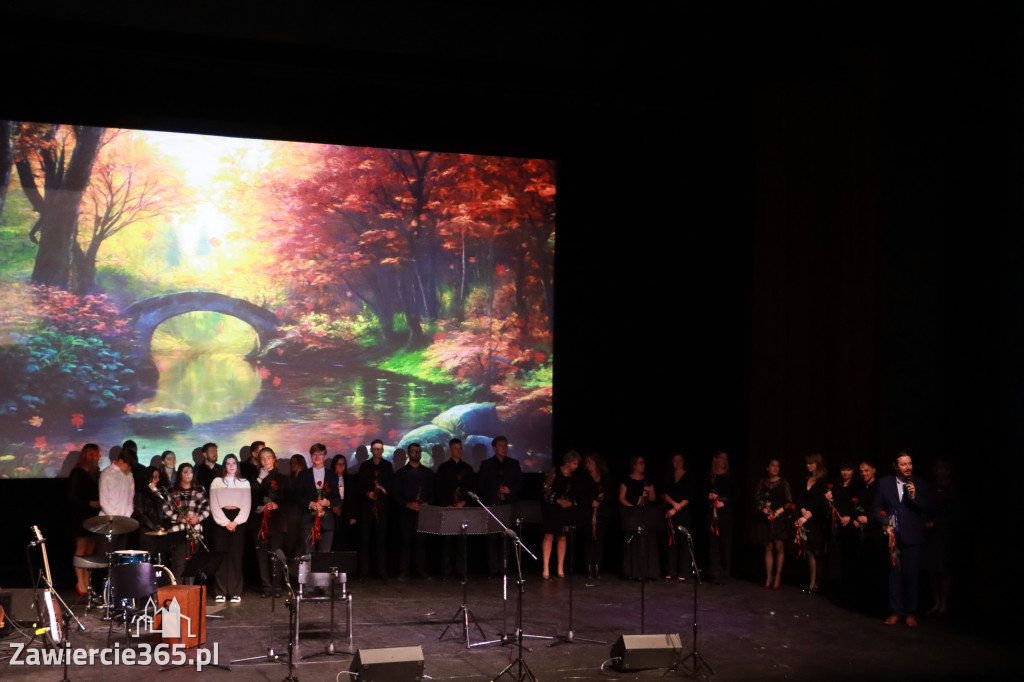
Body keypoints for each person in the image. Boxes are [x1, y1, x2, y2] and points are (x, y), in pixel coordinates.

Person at [875, 451, 929, 627]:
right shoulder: (884, 483)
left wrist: (914, 497)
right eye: (904, 464)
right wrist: (885, 522)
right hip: (893, 537)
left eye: (910, 464)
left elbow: (928, 507)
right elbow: (877, 508)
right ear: (895, 466)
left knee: (911, 575)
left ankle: (910, 613)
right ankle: (895, 611)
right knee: (894, 575)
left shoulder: (919, 483)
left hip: (912, 536)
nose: (908, 467)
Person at [477, 436, 523, 574]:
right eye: (501, 446)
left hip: (508, 506)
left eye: (506, 446)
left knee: (506, 537)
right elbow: (480, 486)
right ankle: (492, 569)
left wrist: (510, 490)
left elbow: (521, 484)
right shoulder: (486, 464)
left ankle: (504, 569)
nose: (504, 449)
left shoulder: (513, 464)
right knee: (492, 538)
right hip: (492, 505)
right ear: (494, 448)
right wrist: (495, 490)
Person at [209, 454, 251, 603]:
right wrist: (225, 522)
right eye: (228, 463)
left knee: (236, 557)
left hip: (238, 520)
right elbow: (213, 504)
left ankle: (235, 591)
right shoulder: (216, 482)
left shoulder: (244, 482)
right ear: (224, 466)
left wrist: (236, 522)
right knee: (221, 556)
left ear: (237, 465)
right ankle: (220, 590)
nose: (231, 466)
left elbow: (247, 505)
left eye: (234, 463)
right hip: (221, 520)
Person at [434, 438, 476, 581]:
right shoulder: (444, 468)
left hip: (463, 510)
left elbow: (472, 489)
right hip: (448, 509)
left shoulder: (468, 469)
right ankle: (445, 572)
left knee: (462, 541)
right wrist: (448, 504)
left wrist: (464, 502)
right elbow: (438, 490)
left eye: (461, 448)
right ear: (451, 450)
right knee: (447, 541)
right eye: (456, 448)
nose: (459, 451)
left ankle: (461, 571)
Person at [162, 462, 210, 585]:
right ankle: (177, 597)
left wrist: (198, 518)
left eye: (190, 472)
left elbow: (207, 508)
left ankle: (189, 594)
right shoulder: (172, 490)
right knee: (179, 566)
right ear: (180, 474)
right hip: (178, 532)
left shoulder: (200, 489)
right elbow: (165, 509)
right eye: (185, 472)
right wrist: (178, 517)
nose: (188, 474)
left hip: (194, 532)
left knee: (192, 567)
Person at [252, 447, 290, 598]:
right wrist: (259, 479)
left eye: (268, 457)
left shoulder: (283, 478)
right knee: (261, 554)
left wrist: (277, 505)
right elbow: (251, 497)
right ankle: (266, 586)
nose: (266, 461)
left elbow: (289, 500)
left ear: (274, 459)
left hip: (277, 521)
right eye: (262, 458)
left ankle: (276, 586)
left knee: (276, 553)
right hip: (259, 521)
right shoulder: (255, 478)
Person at [925, 458, 960, 616]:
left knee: (943, 568)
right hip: (929, 532)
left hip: (944, 533)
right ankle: (936, 600)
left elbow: (956, 514)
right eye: (938, 468)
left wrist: (937, 522)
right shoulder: (931, 487)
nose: (941, 471)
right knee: (931, 568)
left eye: (944, 469)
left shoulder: (952, 489)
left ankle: (944, 602)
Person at [394, 442, 434, 579]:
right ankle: (403, 571)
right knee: (405, 542)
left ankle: (421, 571)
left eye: (418, 451)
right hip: (406, 512)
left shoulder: (428, 473)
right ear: (408, 453)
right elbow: (395, 494)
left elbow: (434, 492)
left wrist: (427, 503)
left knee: (421, 542)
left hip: (423, 512)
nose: (416, 453)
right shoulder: (400, 474)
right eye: (413, 451)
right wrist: (407, 504)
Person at [541, 451, 580, 579]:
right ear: (567, 462)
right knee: (549, 535)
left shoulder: (574, 477)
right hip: (552, 509)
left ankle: (560, 567)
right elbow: (546, 489)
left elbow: (577, 494)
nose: (576, 466)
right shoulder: (555, 472)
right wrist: (557, 500)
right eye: (574, 463)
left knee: (562, 537)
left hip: (566, 510)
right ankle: (546, 568)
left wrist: (570, 503)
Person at [297, 443, 342, 555]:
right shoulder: (303, 475)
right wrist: (310, 504)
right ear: (311, 456)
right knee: (308, 554)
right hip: (308, 519)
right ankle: (308, 573)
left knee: (325, 554)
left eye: (320, 455)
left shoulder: (332, 475)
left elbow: (337, 498)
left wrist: (329, 502)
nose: (317, 458)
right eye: (314, 455)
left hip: (327, 520)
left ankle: (323, 574)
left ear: (325, 456)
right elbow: (297, 497)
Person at [68, 444, 102, 595]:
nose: (95, 458)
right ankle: (80, 583)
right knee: (81, 551)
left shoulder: (96, 473)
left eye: (97, 455)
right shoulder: (77, 473)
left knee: (90, 552)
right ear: (84, 455)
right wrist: (89, 503)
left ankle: (87, 582)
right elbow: (72, 497)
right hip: (80, 516)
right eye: (91, 455)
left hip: (94, 517)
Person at [619, 455, 659, 580]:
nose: (643, 465)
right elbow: (621, 498)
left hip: (645, 514)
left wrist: (650, 492)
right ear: (634, 465)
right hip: (632, 514)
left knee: (647, 541)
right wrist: (632, 507)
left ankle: (648, 572)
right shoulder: (627, 480)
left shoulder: (647, 480)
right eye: (640, 463)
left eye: (644, 463)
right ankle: (633, 572)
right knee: (634, 541)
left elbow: (653, 499)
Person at [357, 439, 393, 578]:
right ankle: (364, 571)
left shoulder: (388, 466)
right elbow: (359, 487)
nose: (377, 451)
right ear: (371, 451)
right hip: (367, 509)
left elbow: (390, 486)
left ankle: (381, 570)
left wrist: (382, 491)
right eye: (375, 449)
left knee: (381, 540)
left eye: (380, 449)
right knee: (365, 540)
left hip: (382, 508)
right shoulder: (364, 466)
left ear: (383, 450)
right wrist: (368, 493)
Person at [754, 458, 792, 590]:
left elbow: (789, 502)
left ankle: (777, 577)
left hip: (779, 518)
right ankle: (769, 577)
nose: (775, 468)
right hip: (766, 518)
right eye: (773, 466)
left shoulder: (783, 483)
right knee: (768, 547)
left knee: (779, 547)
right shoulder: (762, 483)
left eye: (778, 466)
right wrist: (763, 509)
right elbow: (757, 500)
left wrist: (777, 512)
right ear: (767, 467)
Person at [794, 452, 829, 594]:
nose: (809, 466)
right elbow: (799, 497)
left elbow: (821, 502)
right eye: (807, 463)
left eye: (811, 463)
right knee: (809, 552)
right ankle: (811, 581)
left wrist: (809, 514)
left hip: (817, 520)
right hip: (806, 518)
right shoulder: (805, 480)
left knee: (817, 551)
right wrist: (802, 510)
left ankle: (819, 582)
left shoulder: (823, 481)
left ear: (818, 464)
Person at [578, 452, 612, 580]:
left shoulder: (606, 477)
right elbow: (579, 496)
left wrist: (603, 497)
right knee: (589, 541)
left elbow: (612, 494)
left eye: (590, 463)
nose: (587, 465)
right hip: (588, 514)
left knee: (599, 541)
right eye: (586, 463)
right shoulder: (584, 478)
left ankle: (597, 567)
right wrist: (590, 502)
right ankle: (588, 568)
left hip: (602, 515)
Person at [662, 453, 694, 582]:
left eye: (680, 460)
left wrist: (676, 507)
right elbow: (663, 493)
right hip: (670, 510)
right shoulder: (668, 476)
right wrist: (673, 505)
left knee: (683, 541)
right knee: (671, 541)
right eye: (675, 460)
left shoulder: (689, 476)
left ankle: (683, 572)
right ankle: (671, 570)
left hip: (683, 511)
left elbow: (690, 496)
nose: (677, 462)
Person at [705, 450, 735, 583]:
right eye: (721, 458)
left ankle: (725, 572)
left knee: (725, 542)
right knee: (713, 543)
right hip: (712, 512)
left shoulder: (730, 477)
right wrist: (708, 496)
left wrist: (725, 502)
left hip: (725, 513)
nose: (724, 461)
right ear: (715, 459)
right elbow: (700, 493)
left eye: (725, 458)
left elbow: (737, 495)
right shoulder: (710, 477)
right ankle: (714, 571)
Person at [98, 447, 135, 555]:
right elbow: (104, 501)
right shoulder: (106, 473)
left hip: (124, 522)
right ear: (121, 461)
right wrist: (115, 518)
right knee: (105, 556)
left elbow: (130, 498)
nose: (129, 468)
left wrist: (126, 517)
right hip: (108, 521)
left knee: (120, 555)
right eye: (127, 465)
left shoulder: (129, 475)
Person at [135, 466, 171, 562]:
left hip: (159, 530)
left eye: (158, 477)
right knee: (146, 559)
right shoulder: (141, 493)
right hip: (146, 530)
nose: (156, 480)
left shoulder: (160, 493)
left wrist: (164, 525)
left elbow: (165, 510)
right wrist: (152, 526)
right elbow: (140, 513)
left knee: (160, 559)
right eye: (154, 477)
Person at [284, 455, 309, 563]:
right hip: (292, 515)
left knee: (304, 543)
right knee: (291, 542)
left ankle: (300, 572)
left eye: (295, 462)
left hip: (305, 515)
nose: (292, 465)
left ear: (301, 463)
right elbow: (289, 497)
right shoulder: (288, 479)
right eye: (291, 463)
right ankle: (289, 571)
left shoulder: (308, 478)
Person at [330, 454, 357, 552]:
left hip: (346, 513)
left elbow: (353, 499)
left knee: (345, 540)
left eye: (343, 464)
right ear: (334, 465)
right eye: (338, 464)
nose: (341, 466)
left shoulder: (350, 480)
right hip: (331, 513)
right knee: (333, 540)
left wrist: (353, 516)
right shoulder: (329, 479)